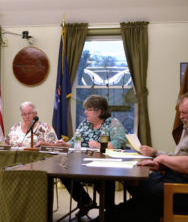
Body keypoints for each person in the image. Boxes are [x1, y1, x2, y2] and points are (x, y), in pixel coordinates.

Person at [92, 93, 188, 222]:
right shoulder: (186, 128)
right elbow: (180, 157)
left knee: (139, 187)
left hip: (180, 189)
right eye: (180, 112)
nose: (181, 117)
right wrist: (160, 164)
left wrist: (162, 159)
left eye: (185, 113)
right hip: (173, 178)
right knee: (133, 184)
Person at [58, 95, 127, 219]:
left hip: (104, 165)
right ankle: (86, 202)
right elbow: (74, 141)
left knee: (103, 176)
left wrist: (101, 146)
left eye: (88, 109)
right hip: (82, 163)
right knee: (63, 172)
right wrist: (65, 144)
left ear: (99, 111)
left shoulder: (112, 123)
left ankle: (108, 208)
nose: (85, 112)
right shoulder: (85, 123)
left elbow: (120, 142)